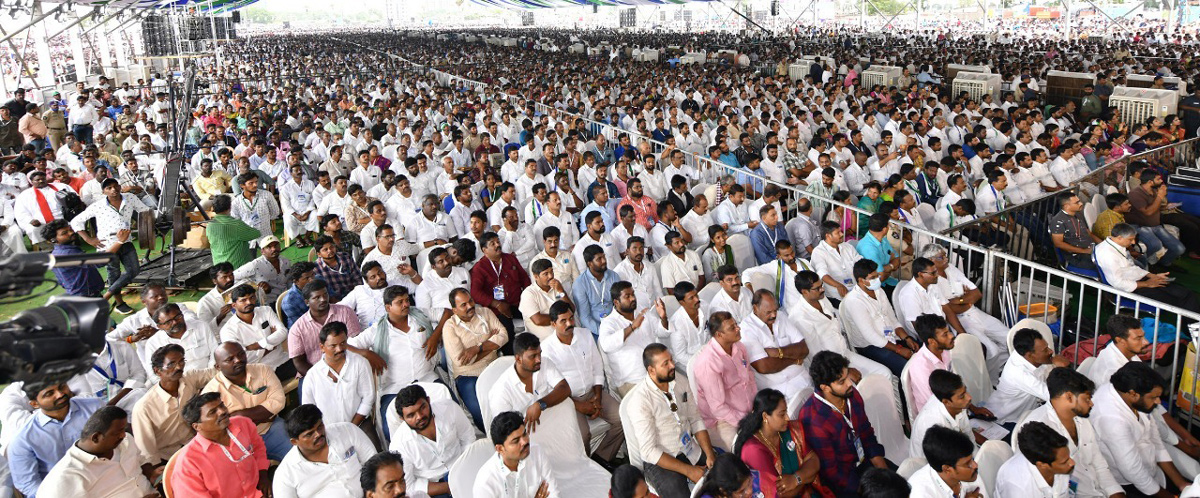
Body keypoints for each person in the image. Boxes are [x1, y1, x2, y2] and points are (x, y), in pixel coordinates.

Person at [1013, 367, 1124, 498]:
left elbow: (1098, 463)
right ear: (1069, 397)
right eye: (1087, 399)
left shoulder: (1082, 419)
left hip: (1097, 491)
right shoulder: (1039, 432)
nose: (1091, 403)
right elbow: (1040, 486)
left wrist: (1114, 492)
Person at [625, 343, 717, 496]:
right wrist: (689, 471)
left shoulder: (680, 381)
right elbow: (649, 451)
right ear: (651, 370)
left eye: (671, 360)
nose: (673, 365)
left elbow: (695, 419)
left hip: (688, 447)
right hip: (661, 460)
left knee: (723, 473)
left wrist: (709, 454)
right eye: (666, 363)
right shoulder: (640, 401)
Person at [539, 300, 624, 464]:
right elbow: (551, 388)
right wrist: (579, 406)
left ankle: (601, 459)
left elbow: (597, 366)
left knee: (622, 418)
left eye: (571, 318)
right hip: (568, 400)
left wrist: (598, 396)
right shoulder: (547, 349)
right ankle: (583, 467)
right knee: (582, 435)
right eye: (563, 321)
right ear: (553, 324)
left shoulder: (584, 334)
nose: (569, 323)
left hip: (593, 392)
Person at [1093, 362, 1193, 497]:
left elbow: (1155, 440)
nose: (1158, 402)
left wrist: (1181, 484)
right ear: (1133, 394)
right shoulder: (1111, 420)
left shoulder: (1129, 395)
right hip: (1131, 483)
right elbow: (1133, 471)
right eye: (1154, 397)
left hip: (1151, 470)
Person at [798, 351, 889, 497]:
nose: (849, 383)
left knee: (900, 486)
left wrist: (884, 471)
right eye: (842, 381)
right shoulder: (814, 420)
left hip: (863, 463)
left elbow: (866, 433)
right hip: (843, 483)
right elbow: (831, 473)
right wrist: (869, 491)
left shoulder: (851, 395)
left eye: (847, 376)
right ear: (825, 387)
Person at [69, 177, 152, 314]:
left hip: (126, 241)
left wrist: (157, 216)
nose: (113, 190)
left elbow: (145, 211)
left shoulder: (130, 198)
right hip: (107, 245)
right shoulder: (98, 206)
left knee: (134, 270)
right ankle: (120, 304)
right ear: (103, 192)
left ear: (119, 186)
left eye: (115, 186)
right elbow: (76, 221)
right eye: (109, 188)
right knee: (114, 273)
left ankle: (106, 296)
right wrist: (89, 240)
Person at [790, 270, 891, 381]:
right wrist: (845, 371)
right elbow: (816, 356)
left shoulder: (822, 299)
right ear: (804, 292)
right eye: (817, 288)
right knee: (858, 386)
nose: (822, 289)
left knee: (885, 374)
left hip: (844, 354)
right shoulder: (800, 317)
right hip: (829, 368)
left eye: (821, 285)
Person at [7, 383, 105, 497]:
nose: (60, 394)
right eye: (49, 394)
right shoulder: (24, 439)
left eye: (61, 387)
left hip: (106, 479)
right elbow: (28, 483)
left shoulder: (96, 407)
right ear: (35, 404)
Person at [132, 344, 218, 471]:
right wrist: (158, 470)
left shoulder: (189, 379)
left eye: (181, 361)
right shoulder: (144, 407)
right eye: (171, 364)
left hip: (198, 445)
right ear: (157, 371)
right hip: (170, 458)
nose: (179, 367)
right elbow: (146, 449)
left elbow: (218, 372)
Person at [202, 341, 292, 461]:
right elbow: (220, 428)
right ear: (218, 367)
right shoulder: (210, 392)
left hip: (271, 428)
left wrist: (238, 415)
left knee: (299, 456)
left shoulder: (263, 370)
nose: (238, 360)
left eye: (241, 354)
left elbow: (279, 401)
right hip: (237, 443)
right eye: (230, 359)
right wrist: (265, 415)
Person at [735, 388, 832, 498]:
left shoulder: (788, 430)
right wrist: (806, 478)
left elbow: (814, 460)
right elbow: (778, 494)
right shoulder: (754, 450)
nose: (787, 418)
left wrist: (796, 479)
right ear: (765, 416)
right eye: (782, 414)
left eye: (786, 412)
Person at [39, 406, 154, 497]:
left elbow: (140, 460)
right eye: (117, 432)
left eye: (124, 429)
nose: (123, 435)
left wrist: (152, 473)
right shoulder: (66, 477)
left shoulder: (125, 441)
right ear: (96, 438)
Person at [172, 392, 271, 497]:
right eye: (213, 412)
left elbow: (258, 448)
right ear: (197, 426)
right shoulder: (188, 462)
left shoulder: (243, 424)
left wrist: (263, 475)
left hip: (258, 491)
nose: (223, 411)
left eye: (222, 406)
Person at [389, 384, 476, 497]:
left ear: (428, 401)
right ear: (402, 419)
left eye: (422, 408)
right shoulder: (399, 445)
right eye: (411, 415)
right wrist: (448, 487)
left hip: (463, 467)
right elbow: (408, 486)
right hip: (435, 487)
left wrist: (466, 468)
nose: (419, 416)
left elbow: (468, 438)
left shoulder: (449, 409)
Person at [273, 404, 377, 498]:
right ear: (294, 442)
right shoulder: (285, 475)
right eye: (309, 434)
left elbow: (375, 465)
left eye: (320, 427)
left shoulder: (347, 431)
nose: (318, 434)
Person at [443, 287, 510, 430]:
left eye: (471, 301)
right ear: (454, 310)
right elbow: (462, 361)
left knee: (511, 398)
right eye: (463, 305)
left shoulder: (485, 312)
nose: (470, 306)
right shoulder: (450, 327)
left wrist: (477, 348)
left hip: (494, 365)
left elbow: (504, 336)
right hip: (468, 375)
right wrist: (492, 343)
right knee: (481, 413)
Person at [740, 288, 813, 418]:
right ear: (755, 308)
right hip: (778, 394)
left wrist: (778, 352)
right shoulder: (746, 329)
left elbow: (803, 349)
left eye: (775, 310)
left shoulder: (782, 317)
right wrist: (793, 359)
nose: (774, 315)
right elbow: (764, 366)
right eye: (768, 312)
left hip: (804, 382)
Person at [1095, 223, 1200, 314]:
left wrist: (1151, 275)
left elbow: (1130, 267)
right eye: (1131, 239)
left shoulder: (1114, 245)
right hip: (1130, 289)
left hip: (1136, 281)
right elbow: (1118, 283)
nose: (1133, 243)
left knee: (1183, 292)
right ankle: (1194, 330)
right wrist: (1147, 284)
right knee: (1182, 297)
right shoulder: (1108, 255)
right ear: (1119, 238)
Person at [692, 311, 757, 451]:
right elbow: (718, 408)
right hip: (722, 421)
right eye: (732, 328)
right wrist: (745, 421)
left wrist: (755, 406)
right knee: (745, 448)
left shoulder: (738, 346)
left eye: (736, 324)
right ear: (719, 335)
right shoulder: (708, 362)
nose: (738, 329)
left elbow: (749, 376)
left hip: (748, 410)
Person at [840, 259, 917, 377]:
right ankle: (906, 393)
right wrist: (898, 349)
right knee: (906, 369)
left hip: (889, 337)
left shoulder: (879, 291)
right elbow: (870, 336)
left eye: (877, 275)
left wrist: (906, 338)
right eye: (873, 278)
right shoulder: (854, 301)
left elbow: (893, 319)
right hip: (869, 346)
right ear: (861, 280)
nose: (878, 279)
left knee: (920, 351)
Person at [488, 332, 572, 436]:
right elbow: (505, 432)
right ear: (518, 359)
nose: (539, 359)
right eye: (533, 356)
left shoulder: (545, 363)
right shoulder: (500, 391)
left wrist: (540, 404)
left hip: (552, 423)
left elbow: (564, 388)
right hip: (525, 437)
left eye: (539, 353)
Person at [301, 322, 375, 430]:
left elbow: (368, 398)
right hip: (327, 431)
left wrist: (351, 427)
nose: (339, 349)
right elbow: (308, 411)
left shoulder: (360, 363)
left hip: (360, 423)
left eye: (343, 343)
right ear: (322, 347)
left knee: (374, 447)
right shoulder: (312, 376)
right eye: (333, 346)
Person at [599, 281, 668, 396]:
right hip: (631, 381)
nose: (633, 299)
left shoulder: (642, 313)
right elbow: (606, 345)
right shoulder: (609, 323)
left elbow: (662, 332)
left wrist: (663, 317)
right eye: (627, 296)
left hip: (655, 371)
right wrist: (632, 327)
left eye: (633, 294)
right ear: (616, 302)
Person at [988, 328, 1069, 424]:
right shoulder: (1019, 374)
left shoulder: (1024, 354)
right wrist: (1063, 369)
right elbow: (1057, 397)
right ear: (1029, 355)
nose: (1051, 351)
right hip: (1009, 419)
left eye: (1047, 347)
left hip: (1029, 410)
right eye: (1045, 350)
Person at [474, 411, 560, 498]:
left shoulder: (536, 452)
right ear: (500, 449)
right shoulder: (486, 482)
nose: (525, 441)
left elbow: (553, 493)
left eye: (524, 434)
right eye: (516, 441)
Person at [288, 279, 364, 376]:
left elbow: (356, 343)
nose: (323, 299)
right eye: (317, 297)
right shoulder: (297, 329)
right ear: (307, 302)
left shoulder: (346, 312)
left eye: (325, 295)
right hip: (314, 373)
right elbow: (299, 362)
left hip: (348, 365)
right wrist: (322, 377)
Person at [220, 283, 294, 378]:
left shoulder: (266, 311)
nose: (249, 302)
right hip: (258, 373)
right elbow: (242, 358)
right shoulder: (228, 330)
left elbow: (283, 333)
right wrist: (271, 345)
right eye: (243, 300)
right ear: (234, 305)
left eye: (252, 298)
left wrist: (257, 346)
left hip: (283, 360)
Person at [471, 232, 532, 338]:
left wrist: (529, 297)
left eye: (498, 241)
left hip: (518, 302)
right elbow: (475, 293)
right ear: (484, 250)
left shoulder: (510, 259)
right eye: (492, 244)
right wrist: (497, 304)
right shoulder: (479, 268)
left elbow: (524, 278)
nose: (497, 245)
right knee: (506, 333)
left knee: (536, 316)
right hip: (497, 309)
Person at [909, 369, 980, 459]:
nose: (969, 397)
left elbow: (969, 437)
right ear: (946, 402)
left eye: (965, 391)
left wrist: (979, 462)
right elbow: (944, 463)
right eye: (962, 396)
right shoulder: (934, 425)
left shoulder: (954, 403)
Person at [996, 421, 1076, 498]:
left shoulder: (1057, 456)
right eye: (1064, 462)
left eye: (1068, 457)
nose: (1072, 463)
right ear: (1042, 465)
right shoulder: (1020, 490)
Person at [908, 426, 985, 498]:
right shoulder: (921, 494)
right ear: (947, 469)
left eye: (972, 459)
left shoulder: (969, 474)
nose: (975, 465)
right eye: (968, 464)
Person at [43, 220, 104, 297]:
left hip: (78, 293)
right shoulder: (68, 254)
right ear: (53, 240)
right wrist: (119, 242)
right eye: (64, 233)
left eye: (70, 229)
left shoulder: (55, 254)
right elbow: (99, 262)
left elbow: (61, 281)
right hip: (88, 295)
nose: (71, 233)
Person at [206, 194, 263, 268]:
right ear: (230, 207)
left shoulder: (210, 225)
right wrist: (251, 223)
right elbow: (256, 233)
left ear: (213, 208)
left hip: (219, 266)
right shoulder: (236, 224)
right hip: (238, 266)